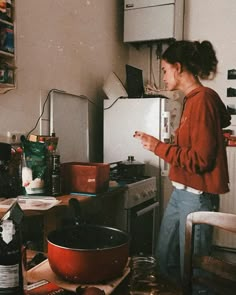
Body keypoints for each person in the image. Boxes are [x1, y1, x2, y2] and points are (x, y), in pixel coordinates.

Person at [133, 40, 231, 294]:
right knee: (164, 262)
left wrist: (157, 146)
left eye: (165, 70)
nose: (164, 77)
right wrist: (167, 145)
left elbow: (200, 160)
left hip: (196, 198)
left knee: (195, 272)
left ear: (178, 68)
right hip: (181, 194)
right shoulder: (192, 100)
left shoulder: (202, 100)